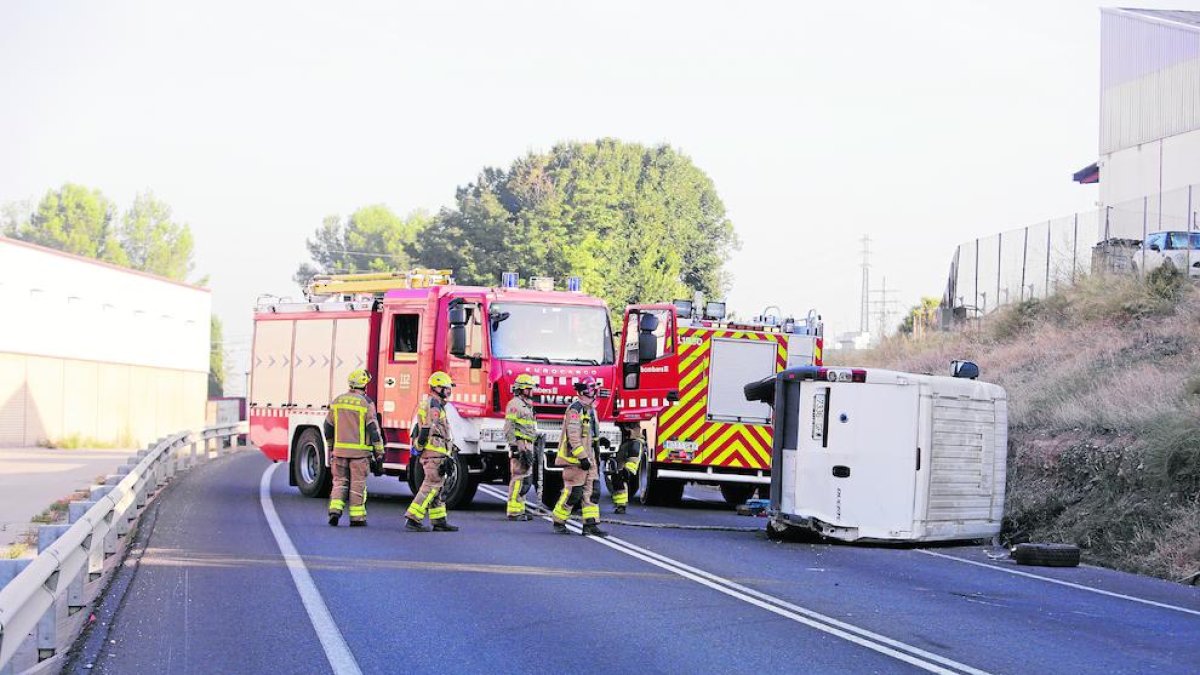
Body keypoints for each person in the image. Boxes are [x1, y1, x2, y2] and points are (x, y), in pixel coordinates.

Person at [324, 368, 384, 527]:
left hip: (339, 452)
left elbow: (327, 427)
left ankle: (335, 511)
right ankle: (357, 518)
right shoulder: (366, 403)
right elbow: (373, 430)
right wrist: (379, 452)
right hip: (359, 454)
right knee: (358, 484)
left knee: (339, 482)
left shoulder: (337, 401)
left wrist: (331, 446)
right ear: (364, 385)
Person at [551, 376, 608, 537]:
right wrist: (582, 457)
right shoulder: (575, 410)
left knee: (593, 491)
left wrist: (599, 441)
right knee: (573, 492)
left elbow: (588, 434)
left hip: (590, 459)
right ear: (586, 392)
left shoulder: (590, 409)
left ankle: (590, 524)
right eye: (593, 390)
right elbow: (573, 437)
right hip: (575, 460)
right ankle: (558, 521)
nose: (596, 393)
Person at [405, 371, 460, 532]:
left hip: (437, 452)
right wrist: (420, 447)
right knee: (431, 486)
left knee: (438, 487)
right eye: (446, 388)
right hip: (433, 452)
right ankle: (413, 518)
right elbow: (427, 429)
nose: (449, 391)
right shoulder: (433, 405)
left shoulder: (435, 404)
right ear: (437, 388)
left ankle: (439, 520)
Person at [504, 373, 538, 521]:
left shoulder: (526, 405)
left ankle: (520, 509)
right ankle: (513, 511)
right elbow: (509, 428)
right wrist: (515, 447)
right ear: (521, 389)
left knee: (525, 478)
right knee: (518, 478)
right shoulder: (515, 405)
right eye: (528, 388)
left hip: (528, 444)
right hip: (520, 445)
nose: (531, 391)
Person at [609, 426, 643, 515]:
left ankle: (621, 505)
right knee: (618, 476)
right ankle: (620, 504)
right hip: (623, 444)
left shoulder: (635, 442)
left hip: (631, 446)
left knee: (622, 476)